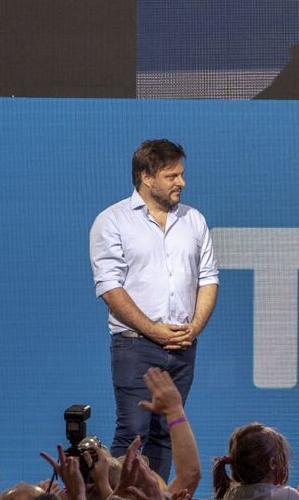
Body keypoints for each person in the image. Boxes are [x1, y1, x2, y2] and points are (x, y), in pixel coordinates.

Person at [90, 139, 219, 480]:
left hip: (182, 345)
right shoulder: (112, 221)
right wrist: (153, 329)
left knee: (167, 435)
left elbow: (208, 278)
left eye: (182, 174)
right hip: (135, 346)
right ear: (146, 177)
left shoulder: (194, 221)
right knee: (132, 432)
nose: (182, 182)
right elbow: (109, 287)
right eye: (172, 175)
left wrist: (195, 327)